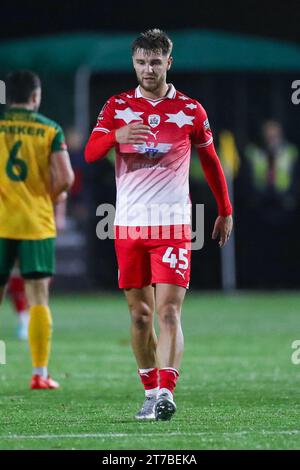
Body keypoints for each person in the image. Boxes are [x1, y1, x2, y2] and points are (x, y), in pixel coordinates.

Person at [85, 29, 233, 421]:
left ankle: (166, 392)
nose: (147, 69)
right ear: (133, 63)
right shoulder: (117, 106)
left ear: (169, 62)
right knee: (140, 316)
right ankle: (150, 391)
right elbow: (89, 151)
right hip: (129, 228)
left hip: (172, 226)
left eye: (154, 62)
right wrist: (116, 135)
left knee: (168, 313)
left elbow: (211, 161)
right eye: (140, 62)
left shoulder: (189, 110)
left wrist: (225, 209)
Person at [0, 70, 74, 388]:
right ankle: (39, 374)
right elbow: (66, 177)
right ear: (35, 97)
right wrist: (53, 197)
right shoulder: (49, 130)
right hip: (36, 222)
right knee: (38, 297)